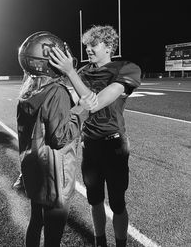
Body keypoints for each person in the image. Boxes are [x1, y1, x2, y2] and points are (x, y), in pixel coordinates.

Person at [49, 25, 141, 247]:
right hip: (89, 144)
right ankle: (100, 242)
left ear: (108, 46)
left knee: (117, 203)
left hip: (114, 144)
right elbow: (70, 104)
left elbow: (97, 103)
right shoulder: (82, 73)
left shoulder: (126, 68)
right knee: (95, 200)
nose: (88, 49)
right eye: (86, 45)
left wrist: (70, 73)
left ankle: (120, 244)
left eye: (93, 45)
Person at [17, 31, 92, 247]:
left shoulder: (27, 90)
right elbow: (60, 138)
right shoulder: (56, 91)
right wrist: (81, 110)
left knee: (35, 222)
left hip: (33, 169)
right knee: (53, 234)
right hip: (54, 174)